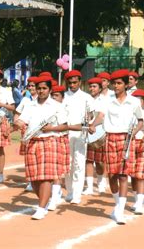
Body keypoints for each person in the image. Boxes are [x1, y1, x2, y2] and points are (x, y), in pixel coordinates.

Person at [90, 69, 144, 224]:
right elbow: (101, 116)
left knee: (123, 174)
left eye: (119, 83)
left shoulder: (134, 101)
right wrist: (93, 125)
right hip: (111, 138)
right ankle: (117, 204)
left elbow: (141, 120)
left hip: (127, 139)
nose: (116, 86)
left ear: (126, 85)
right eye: (114, 83)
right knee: (112, 175)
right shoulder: (107, 101)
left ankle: (120, 209)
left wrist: (134, 132)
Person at [15, 75, 68, 220]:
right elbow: (21, 120)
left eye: (44, 88)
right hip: (32, 141)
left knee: (46, 177)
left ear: (50, 90)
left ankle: (41, 207)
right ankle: (45, 200)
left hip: (50, 141)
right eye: (39, 88)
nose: (41, 91)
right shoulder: (30, 105)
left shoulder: (57, 106)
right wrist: (17, 124)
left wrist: (52, 128)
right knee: (34, 178)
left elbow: (65, 125)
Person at [63, 70, 94, 205]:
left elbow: (92, 114)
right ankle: (69, 192)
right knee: (68, 164)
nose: (72, 85)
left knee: (79, 164)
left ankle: (77, 193)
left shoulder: (87, 97)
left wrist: (89, 118)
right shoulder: (64, 96)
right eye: (70, 83)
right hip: (66, 133)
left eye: (75, 82)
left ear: (80, 82)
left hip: (81, 134)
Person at [82, 77, 107, 195]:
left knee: (100, 161)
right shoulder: (86, 99)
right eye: (90, 86)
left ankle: (102, 181)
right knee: (88, 160)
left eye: (94, 86)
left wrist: (93, 125)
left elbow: (101, 115)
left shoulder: (104, 100)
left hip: (100, 132)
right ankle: (90, 187)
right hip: (87, 133)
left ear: (100, 88)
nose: (91, 88)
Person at [14, 76, 38, 192]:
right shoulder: (25, 100)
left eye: (33, 86)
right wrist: (17, 122)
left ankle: (38, 179)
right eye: (29, 86)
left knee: (38, 156)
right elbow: (17, 113)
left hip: (39, 131)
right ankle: (30, 181)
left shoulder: (41, 99)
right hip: (26, 130)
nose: (31, 88)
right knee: (28, 157)